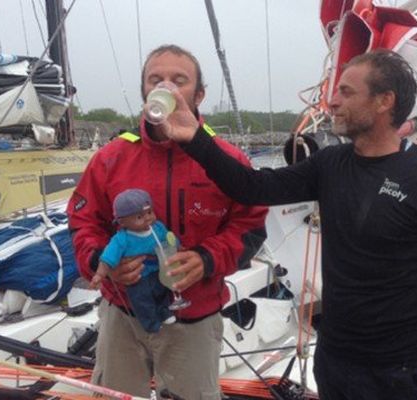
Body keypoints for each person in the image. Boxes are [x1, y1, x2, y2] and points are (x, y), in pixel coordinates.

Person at [163, 50, 417, 400]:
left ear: (384, 101)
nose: (332, 102)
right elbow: (252, 187)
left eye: (346, 92)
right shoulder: (330, 164)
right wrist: (195, 138)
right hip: (336, 365)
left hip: (407, 373)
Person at [67, 44, 268, 399]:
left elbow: (250, 228)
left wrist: (206, 259)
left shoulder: (227, 160)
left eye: (180, 80)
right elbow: (83, 221)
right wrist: (102, 262)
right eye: (155, 79)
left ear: (199, 94)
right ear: (145, 91)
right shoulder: (111, 157)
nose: (166, 87)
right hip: (123, 314)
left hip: (195, 318)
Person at [90, 188, 176, 334]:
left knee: (163, 292)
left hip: (159, 270)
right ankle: (151, 324)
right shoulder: (122, 239)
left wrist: (179, 247)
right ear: (122, 222)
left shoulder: (158, 228)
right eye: (139, 217)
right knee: (142, 301)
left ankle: (165, 312)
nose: (148, 218)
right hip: (137, 277)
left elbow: (170, 240)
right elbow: (107, 258)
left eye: (149, 212)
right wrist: (99, 274)